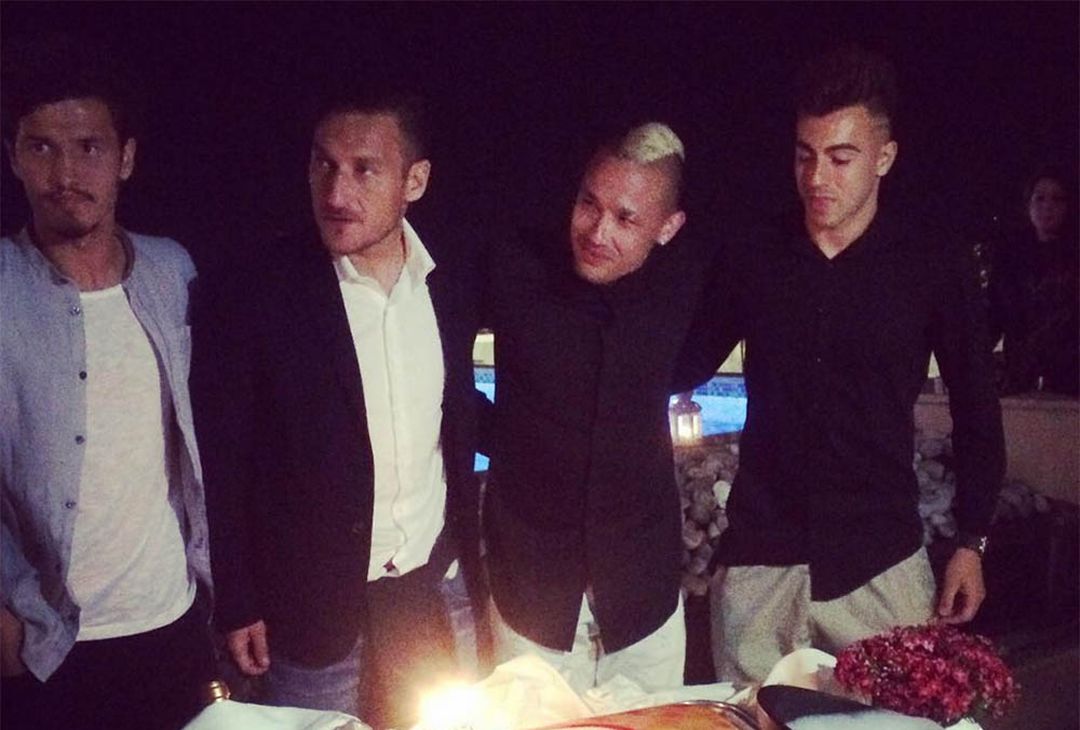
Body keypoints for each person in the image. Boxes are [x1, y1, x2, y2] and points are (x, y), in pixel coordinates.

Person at [675, 46, 1006, 685]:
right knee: (751, 720)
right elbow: (681, 365)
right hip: (760, 564)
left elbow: (975, 408)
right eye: (805, 154)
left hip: (881, 562)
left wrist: (972, 540)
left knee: (892, 723)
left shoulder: (932, 264)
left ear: (884, 157)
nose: (817, 177)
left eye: (841, 157)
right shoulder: (754, 255)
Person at [189, 86, 487, 729]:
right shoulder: (259, 289)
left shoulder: (448, 281)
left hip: (434, 586)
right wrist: (236, 598)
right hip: (310, 605)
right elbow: (223, 455)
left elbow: (456, 414)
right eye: (324, 164)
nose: (336, 191)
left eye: (364, 169)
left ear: (414, 181)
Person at [0, 36, 215, 729]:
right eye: (41, 148)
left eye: (89, 147)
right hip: (45, 640)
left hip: (171, 618)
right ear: (13, 157)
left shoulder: (172, 270)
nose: (65, 173)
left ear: (125, 157)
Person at [483, 122, 704, 693]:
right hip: (530, 591)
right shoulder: (515, 269)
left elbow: (694, 362)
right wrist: (501, 437)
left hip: (645, 593)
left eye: (626, 219)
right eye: (589, 203)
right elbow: (439, 366)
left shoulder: (682, 287)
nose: (598, 231)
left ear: (668, 228)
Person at [989, 165, 1078, 396]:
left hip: (1071, 381)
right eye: (1040, 198)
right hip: (1021, 380)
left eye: (1057, 199)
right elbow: (994, 314)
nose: (1048, 206)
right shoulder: (1010, 258)